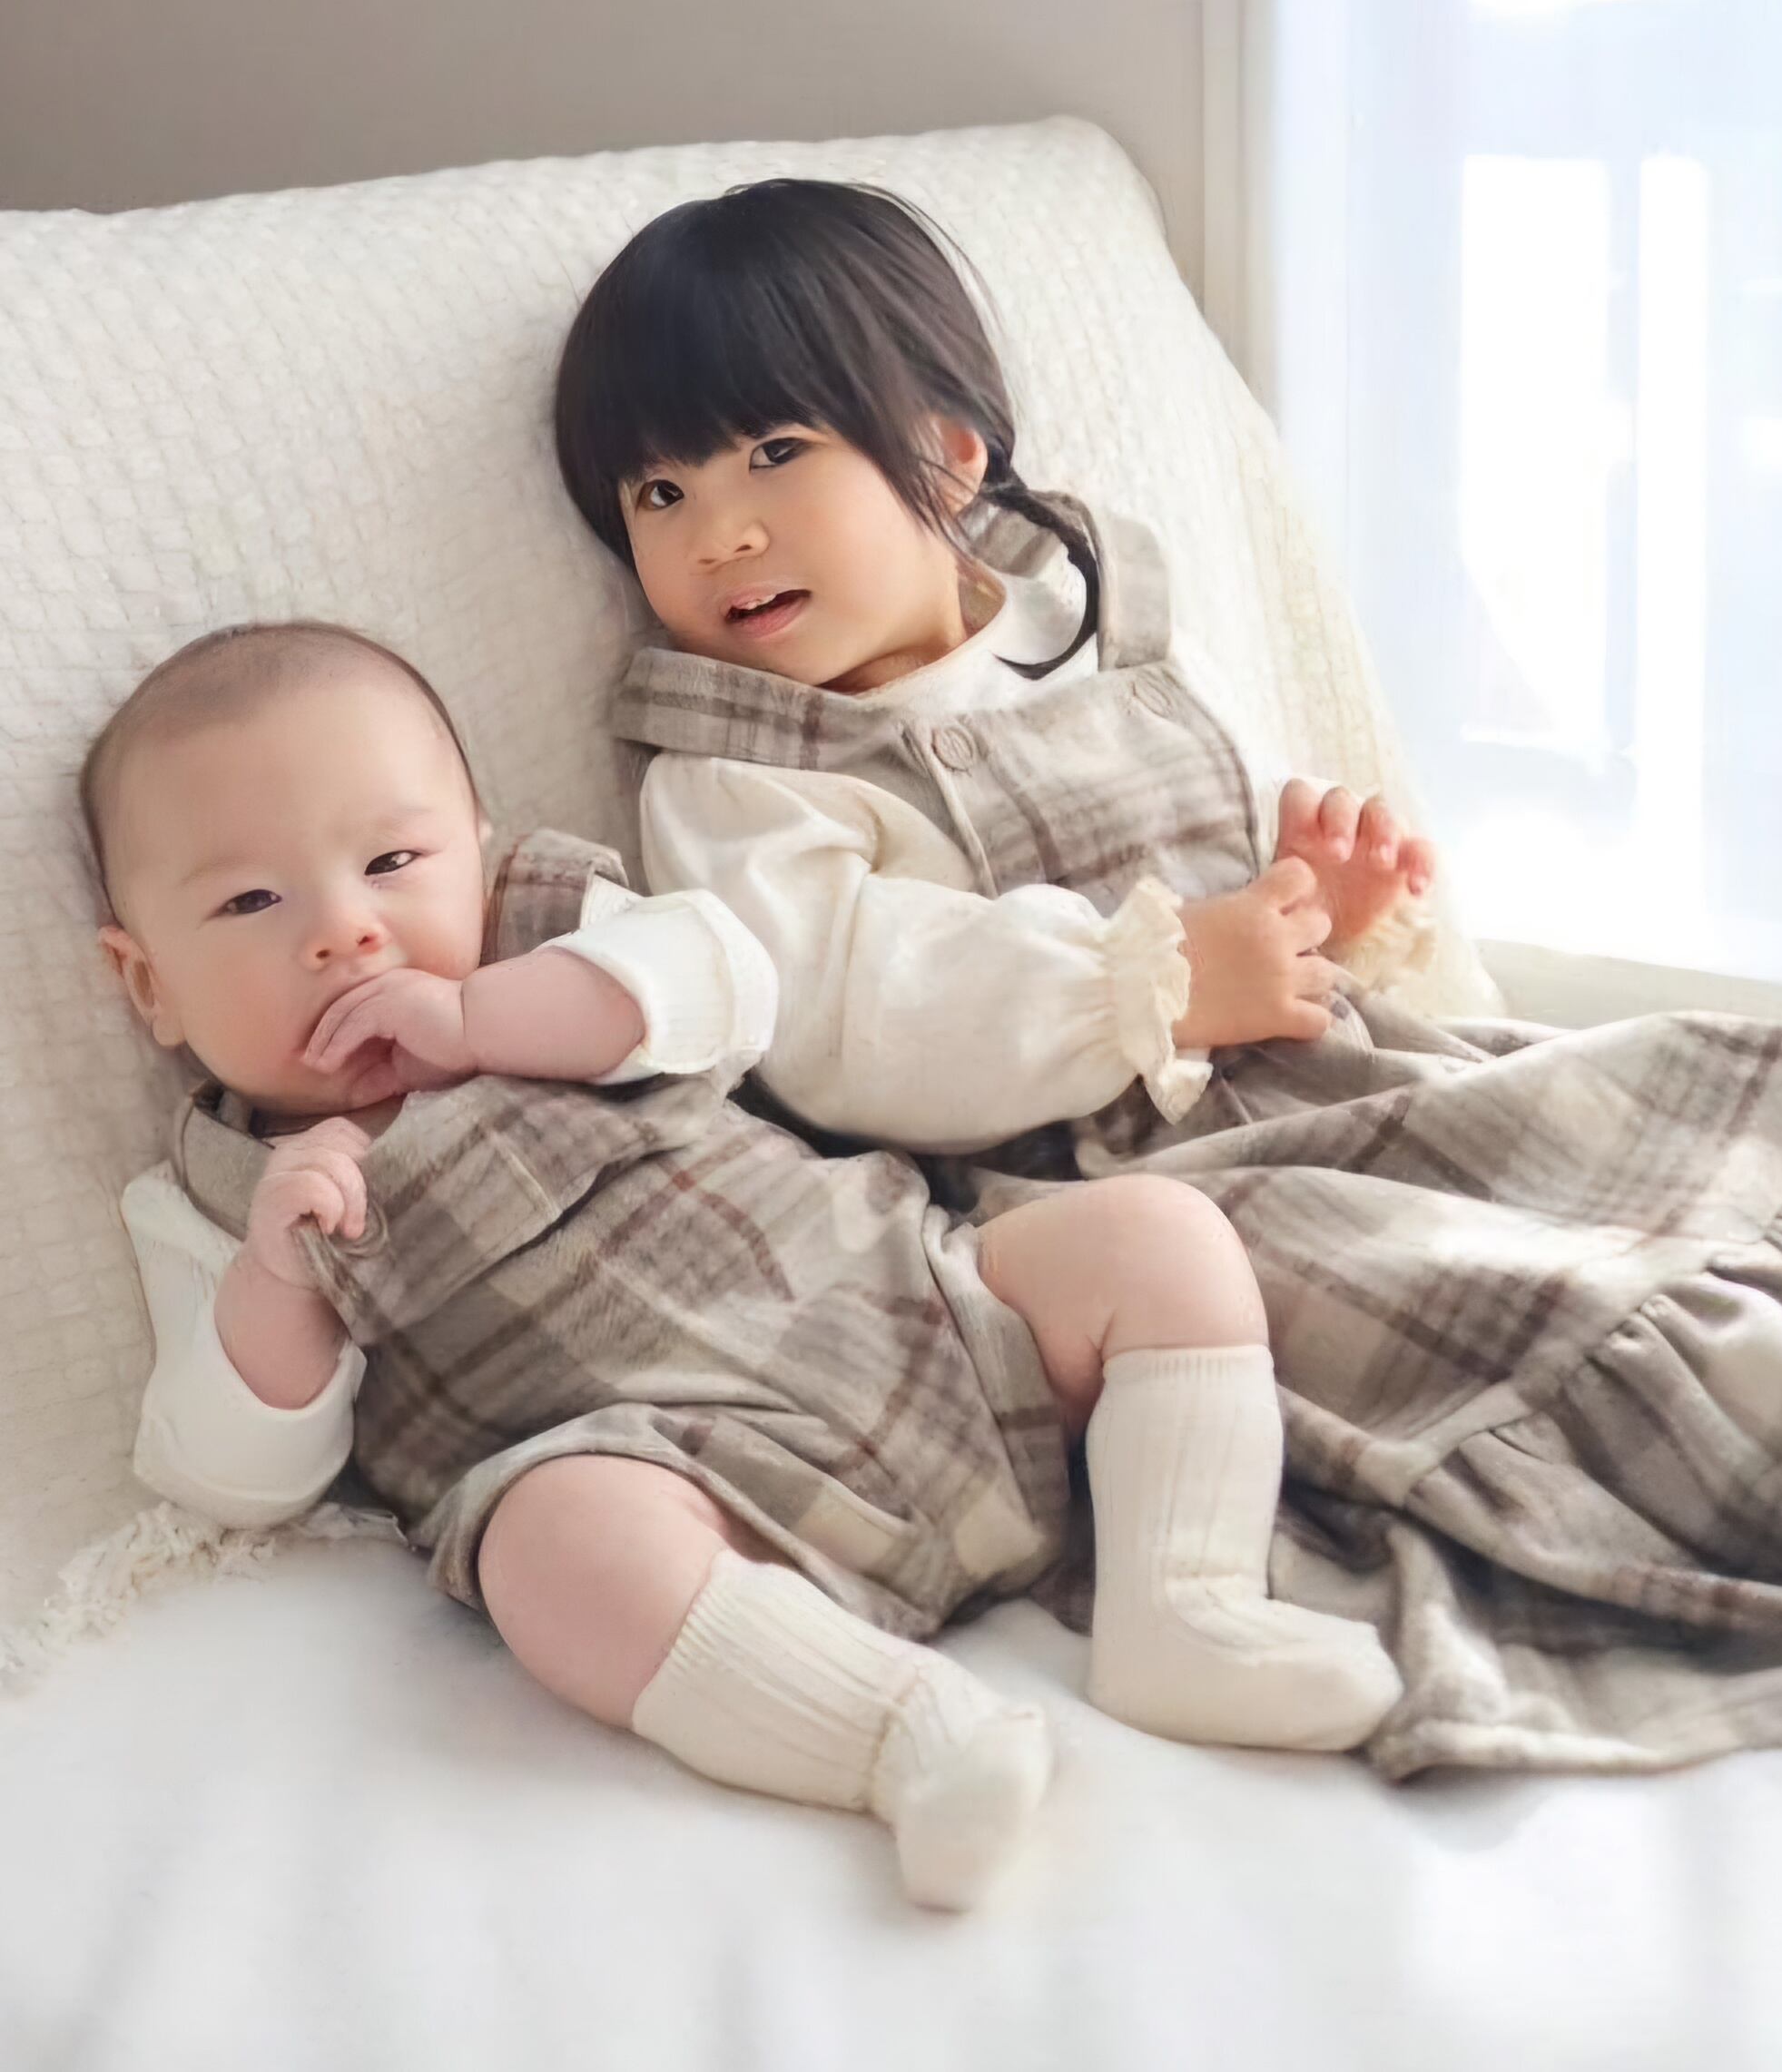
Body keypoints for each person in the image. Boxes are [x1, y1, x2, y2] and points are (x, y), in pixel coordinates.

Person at [553, 179, 1782, 1778]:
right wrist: (1157, 983)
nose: (720, 532)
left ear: (949, 457)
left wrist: (1322, 901)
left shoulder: (1087, 626)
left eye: (776, 455)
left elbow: (1253, 859)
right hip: (1134, 1189)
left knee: (1728, 1090)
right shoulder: (739, 774)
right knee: (1528, 1296)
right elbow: (846, 1022)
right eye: (658, 492)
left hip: (1346, 1070)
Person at [88, 618, 1401, 1912]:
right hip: (688, 1486)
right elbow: (233, 1478)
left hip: (919, 1314)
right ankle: (910, 1737)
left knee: (1153, 1237)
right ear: (148, 985)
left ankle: (1186, 1604)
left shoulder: (561, 937)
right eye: (250, 902)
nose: (345, 932)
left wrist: (484, 1016)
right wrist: (279, 1281)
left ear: (478, 854)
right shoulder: (220, 1196)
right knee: (547, 1552)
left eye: (391, 861)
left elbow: (725, 983)